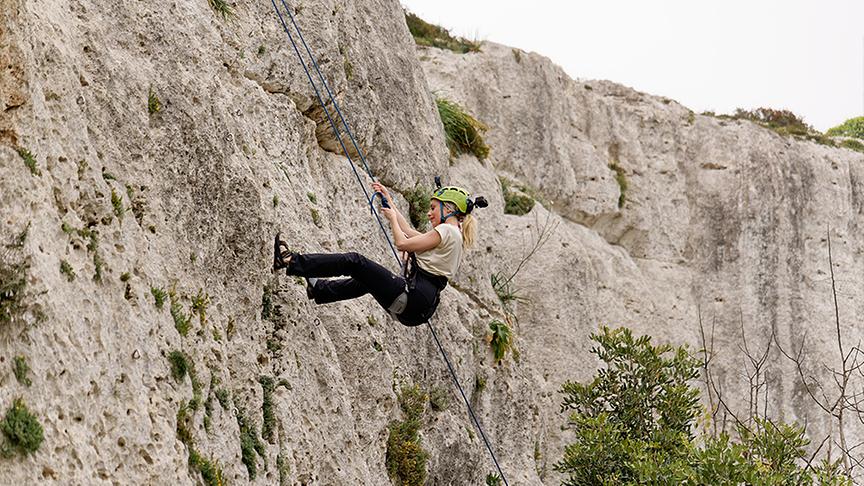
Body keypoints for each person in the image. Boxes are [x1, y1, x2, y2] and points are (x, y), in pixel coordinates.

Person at [273, 182, 487, 326]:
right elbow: (411, 234)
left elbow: (403, 242)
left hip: (412, 298)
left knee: (355, 262)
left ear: (448, 208)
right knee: (367, 278)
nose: (429, 213)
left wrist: (393, 219)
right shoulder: (452, 234)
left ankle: (290, 261)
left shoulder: (446, 231)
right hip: (417, 305)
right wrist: (390, 203)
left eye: (433, 207)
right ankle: (321, 290)